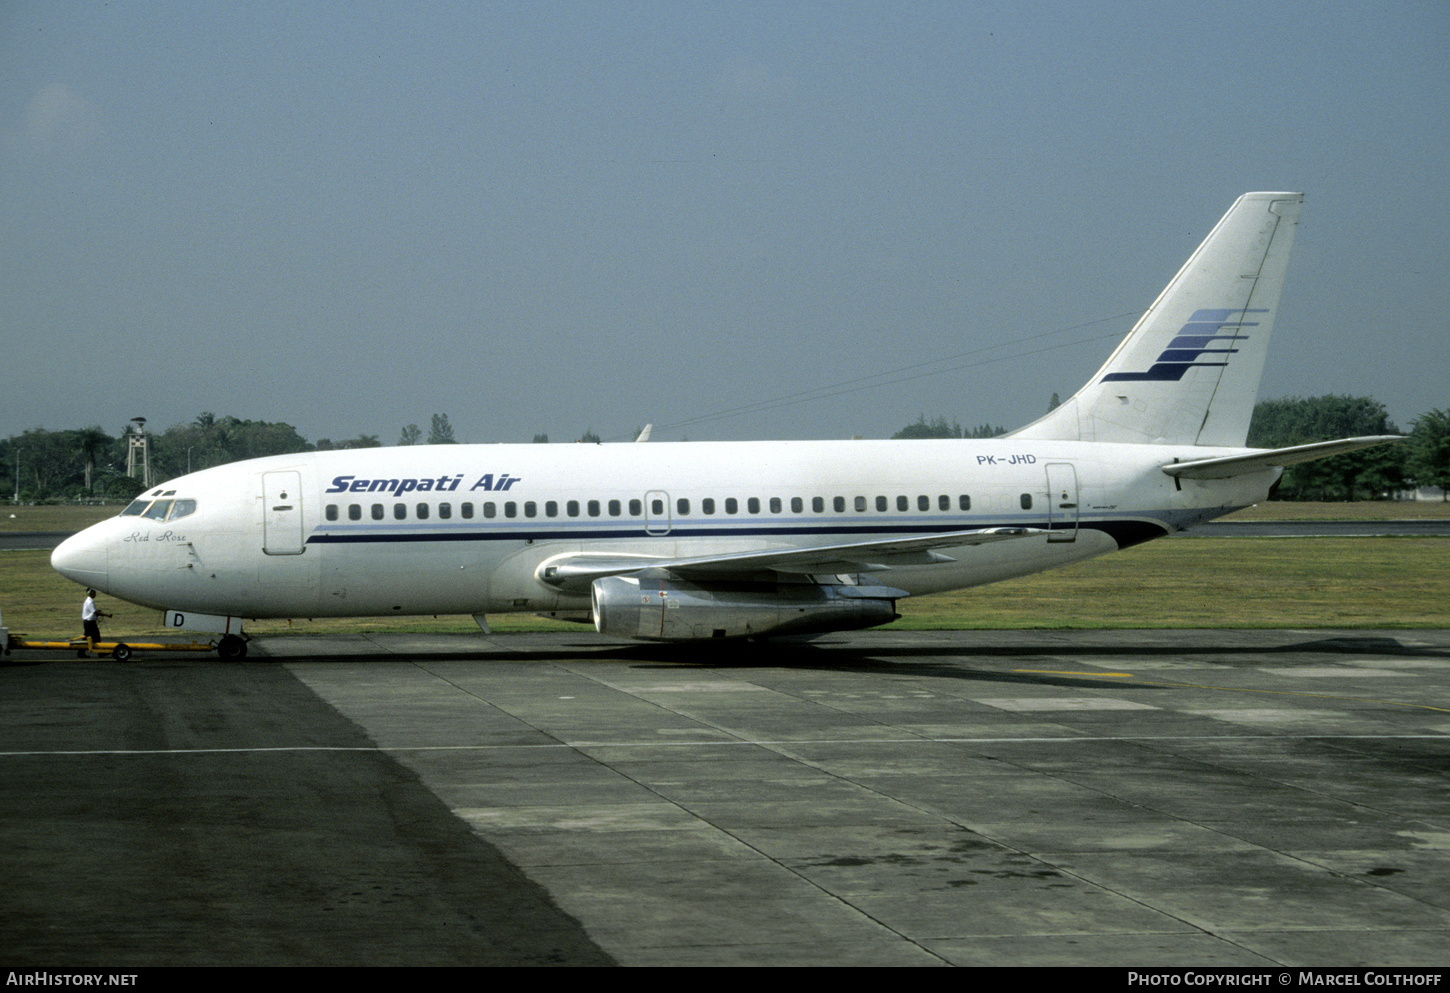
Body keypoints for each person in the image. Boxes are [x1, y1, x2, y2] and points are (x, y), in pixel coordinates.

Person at [80, 589, 111, 658]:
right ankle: (100, 653)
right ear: (91, 593)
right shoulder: (91, 601)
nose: (95, 594)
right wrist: (107, 615)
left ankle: (81, 653)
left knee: (87, 637)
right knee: (96, 637)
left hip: (88, 622)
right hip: (90, 622)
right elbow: (95, 612)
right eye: (94, 593)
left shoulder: (88, 600)